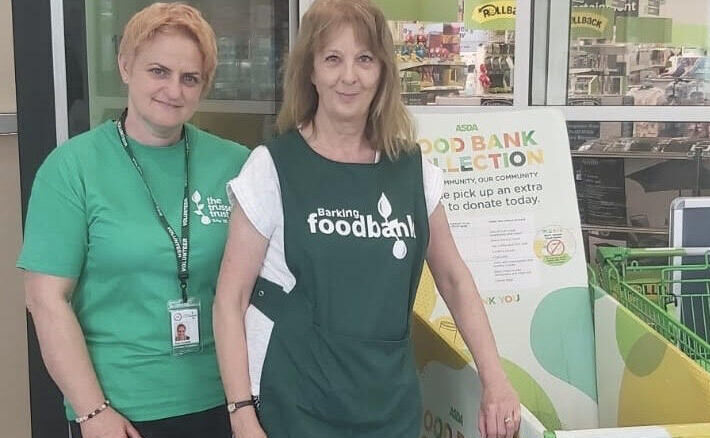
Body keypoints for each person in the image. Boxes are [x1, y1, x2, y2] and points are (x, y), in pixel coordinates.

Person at [213, 0, 520, 437]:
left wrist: (495, 379)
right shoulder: (272, 167)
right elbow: (230, 298)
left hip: (387, 406)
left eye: (364, 59)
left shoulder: (412, 171)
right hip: (294, 402)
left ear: (382, 72)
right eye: (333, 59)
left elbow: (453, 279)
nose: (349, 76)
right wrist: (241, 413)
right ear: (311, 70)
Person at [18, 3, 249, 438]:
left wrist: (244, 407)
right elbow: (46, 300)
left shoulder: (236, 166)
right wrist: (92, 412)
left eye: (190, 78)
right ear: (126, 67)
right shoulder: (72, 168)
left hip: (223, 401)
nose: (173, 90)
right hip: (119, 411)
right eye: (158, 71)